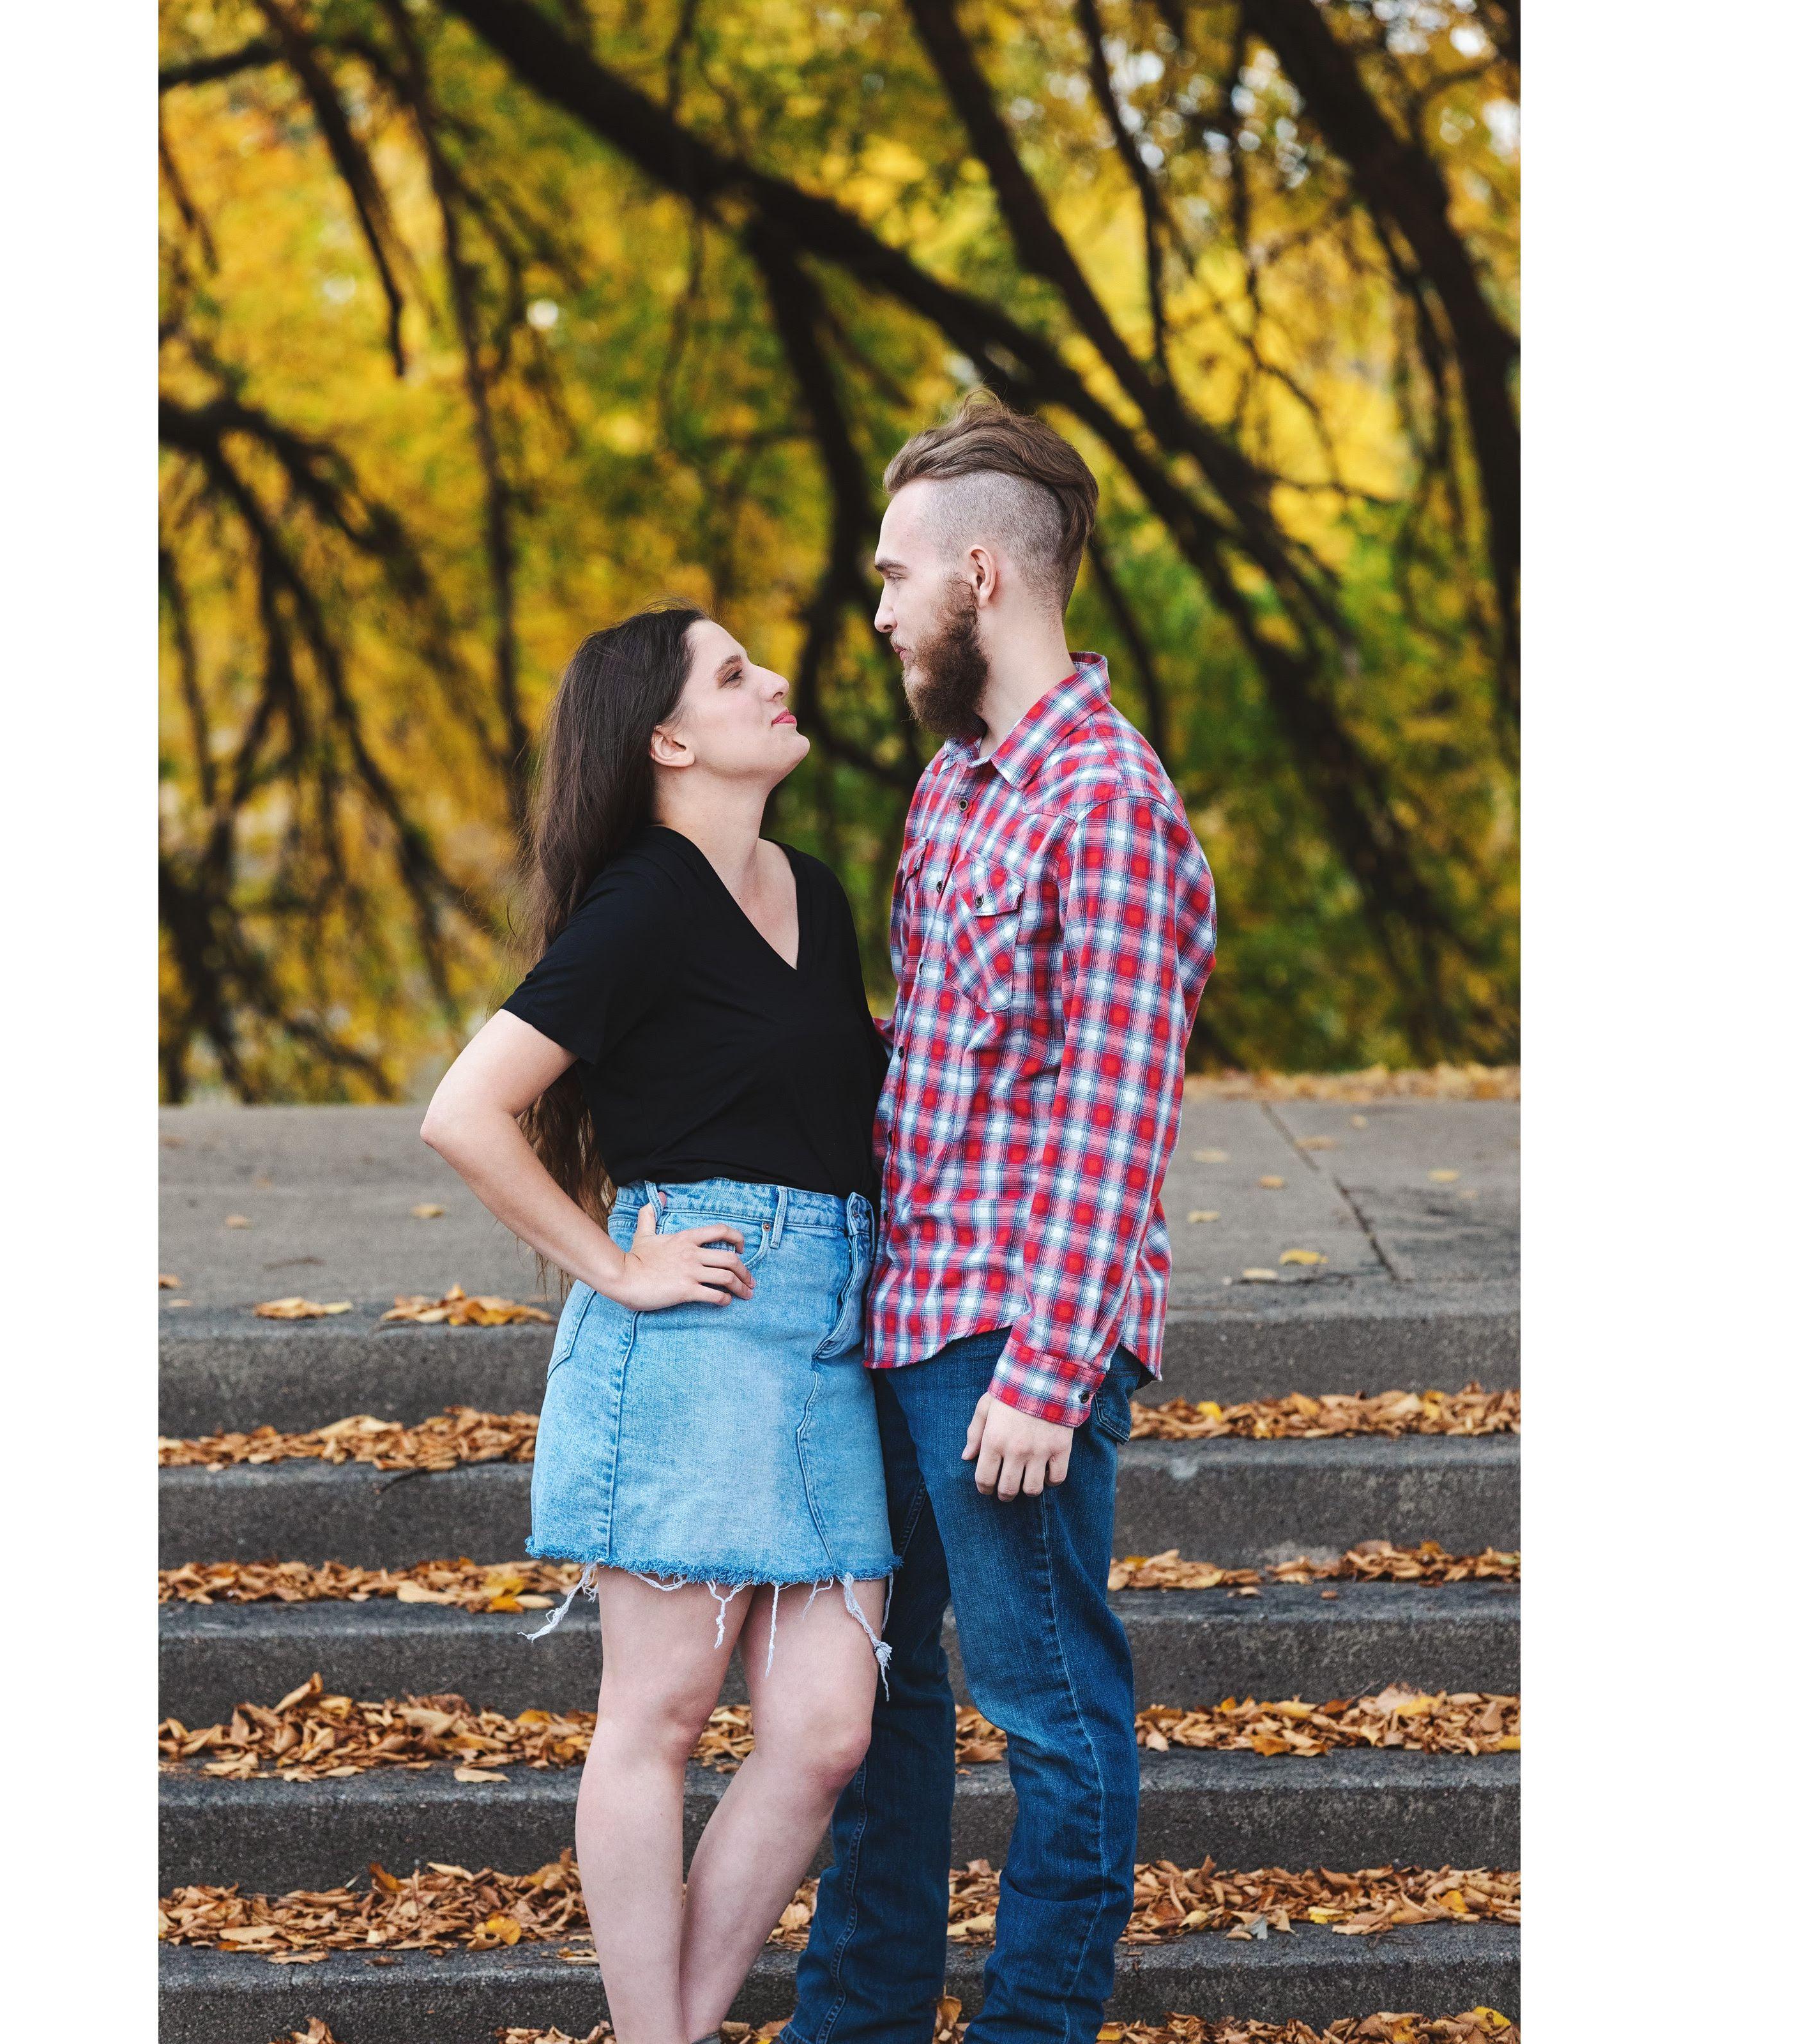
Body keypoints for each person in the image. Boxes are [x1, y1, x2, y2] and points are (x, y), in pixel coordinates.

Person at [783, 393, 1218, 2044]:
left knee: (1052, 1711)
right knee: (879, 1702)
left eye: (894, 577)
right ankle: (860, 2018)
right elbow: (930, 1072)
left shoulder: (1107, 801)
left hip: (1010, 1346)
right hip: (905, 1321)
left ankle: (1036, 2025)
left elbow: (1115, 1104)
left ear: (981, 574)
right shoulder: (958, 787)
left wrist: (1048, 1370)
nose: (879, 613)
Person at [420, 604, 896, 2044]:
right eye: (735, 674)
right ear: (669, 741)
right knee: (660, 1716)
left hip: (827, 1337)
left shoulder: (811, 888)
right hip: (695, 1335)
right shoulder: (643, 904)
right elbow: (465, 1110)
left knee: (825, 1729)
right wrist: (614, 1268)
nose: (777, 681)